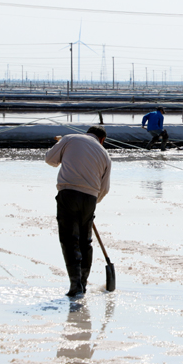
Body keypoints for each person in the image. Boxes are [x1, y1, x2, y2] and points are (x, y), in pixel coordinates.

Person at [45, 126, 111, 298]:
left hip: (68, 193)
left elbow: (50, 160)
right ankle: (82, 283)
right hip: (90, 198)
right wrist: (91, 202)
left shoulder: (70, 138)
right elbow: (104, 188)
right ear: (102, 140)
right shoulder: (105, 154)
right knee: (85, 241)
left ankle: (76, 285)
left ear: (87, 133)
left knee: (69, 240)